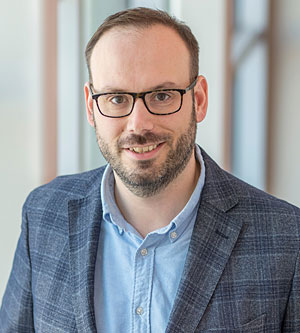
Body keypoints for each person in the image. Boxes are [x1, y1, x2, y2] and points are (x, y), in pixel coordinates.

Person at [0, 7, 299, 332]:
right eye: (116, 98)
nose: (139, 124)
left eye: (161, 95)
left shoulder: (287, 238)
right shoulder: (43, 214)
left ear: (198, 99)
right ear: (91, 107)